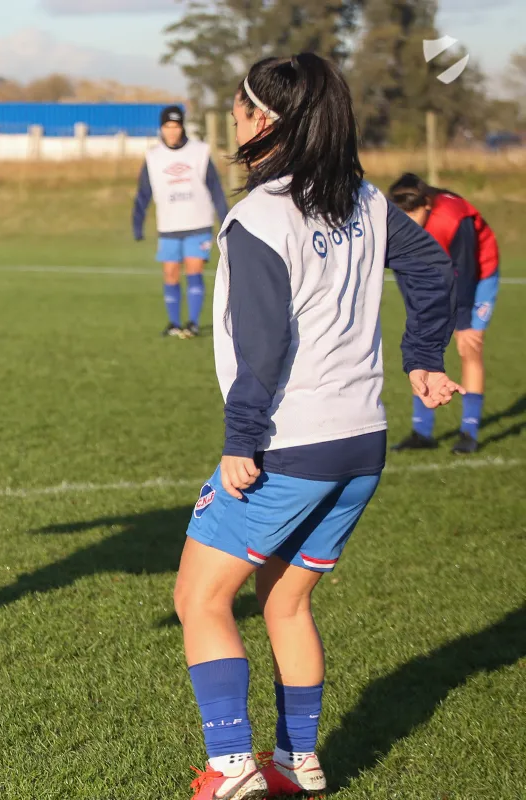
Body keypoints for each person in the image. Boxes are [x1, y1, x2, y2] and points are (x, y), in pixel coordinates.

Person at [172, 54, 462, 799]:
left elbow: (263, 343)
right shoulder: (363, 198)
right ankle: (296, 763)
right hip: (362, 443)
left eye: (238, 105)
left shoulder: (261, 216)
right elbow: (432, 268)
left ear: (264, 119)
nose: (230, 115)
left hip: (289, 443)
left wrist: (241, 439)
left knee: (199, 599)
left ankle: (231, 768)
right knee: (286, 600)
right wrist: (423, 357)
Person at [388, 173, 500, 454]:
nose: (408, 219)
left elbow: (466, 272)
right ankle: (422, 433)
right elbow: (406, 275)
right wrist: (418, 316)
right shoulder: (396, 225)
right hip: (437, 279)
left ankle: (469, 433)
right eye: (402, 213)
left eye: (413, 211)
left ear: (427, 203)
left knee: (469, 346)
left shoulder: (453, 217)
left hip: (479, 274)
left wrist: (464, 323)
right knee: (419, 345)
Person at [132, 105, 229, 338]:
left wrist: (224, 219)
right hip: (168, 225)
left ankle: (192, 323)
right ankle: (174, 323)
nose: (172, 131)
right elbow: (143, 192)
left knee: (194, 271)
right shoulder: (153, 157)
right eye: (167, 126)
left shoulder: (199, 152)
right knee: (170, 273)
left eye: (176, 126)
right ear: (161, 128)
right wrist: (137, 223)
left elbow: (215, 188)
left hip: (198, 222)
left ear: (182, 127)